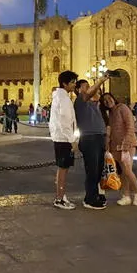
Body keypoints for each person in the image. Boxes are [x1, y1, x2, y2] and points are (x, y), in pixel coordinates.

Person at [100, 92, 137, 206]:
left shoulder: (123, 108)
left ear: (114, 98)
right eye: (105, 101)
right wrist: (108, 143)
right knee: (123, 171)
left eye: (109, 98)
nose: (108, 101)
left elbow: (130, 126)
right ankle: (126, 196)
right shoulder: (111, 113)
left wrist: (126, 143)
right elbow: (110, 130)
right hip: (115, 145)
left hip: (127, 145)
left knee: (127, 169)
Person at [74, 76, 110, 210]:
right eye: (85, 86)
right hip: (89, 139)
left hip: (99, 138)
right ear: (77, 90)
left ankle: (95, 195)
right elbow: (88, 94)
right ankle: (89, 199)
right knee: (92, 170)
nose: (88, 88)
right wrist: (101, 80)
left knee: (99, 169)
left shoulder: (93, 104)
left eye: (89, 85)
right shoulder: (79, 101)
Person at [49, 70, 79, 210]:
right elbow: (65, 121)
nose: (74, 85)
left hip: (60, 137)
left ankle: (61, 195)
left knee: (62, 168)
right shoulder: (64, 99)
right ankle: (59, 199)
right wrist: (72, 139)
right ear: (64, 83)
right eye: (72, 82)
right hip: (63, 139)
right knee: (63, 169)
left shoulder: (60, 97)